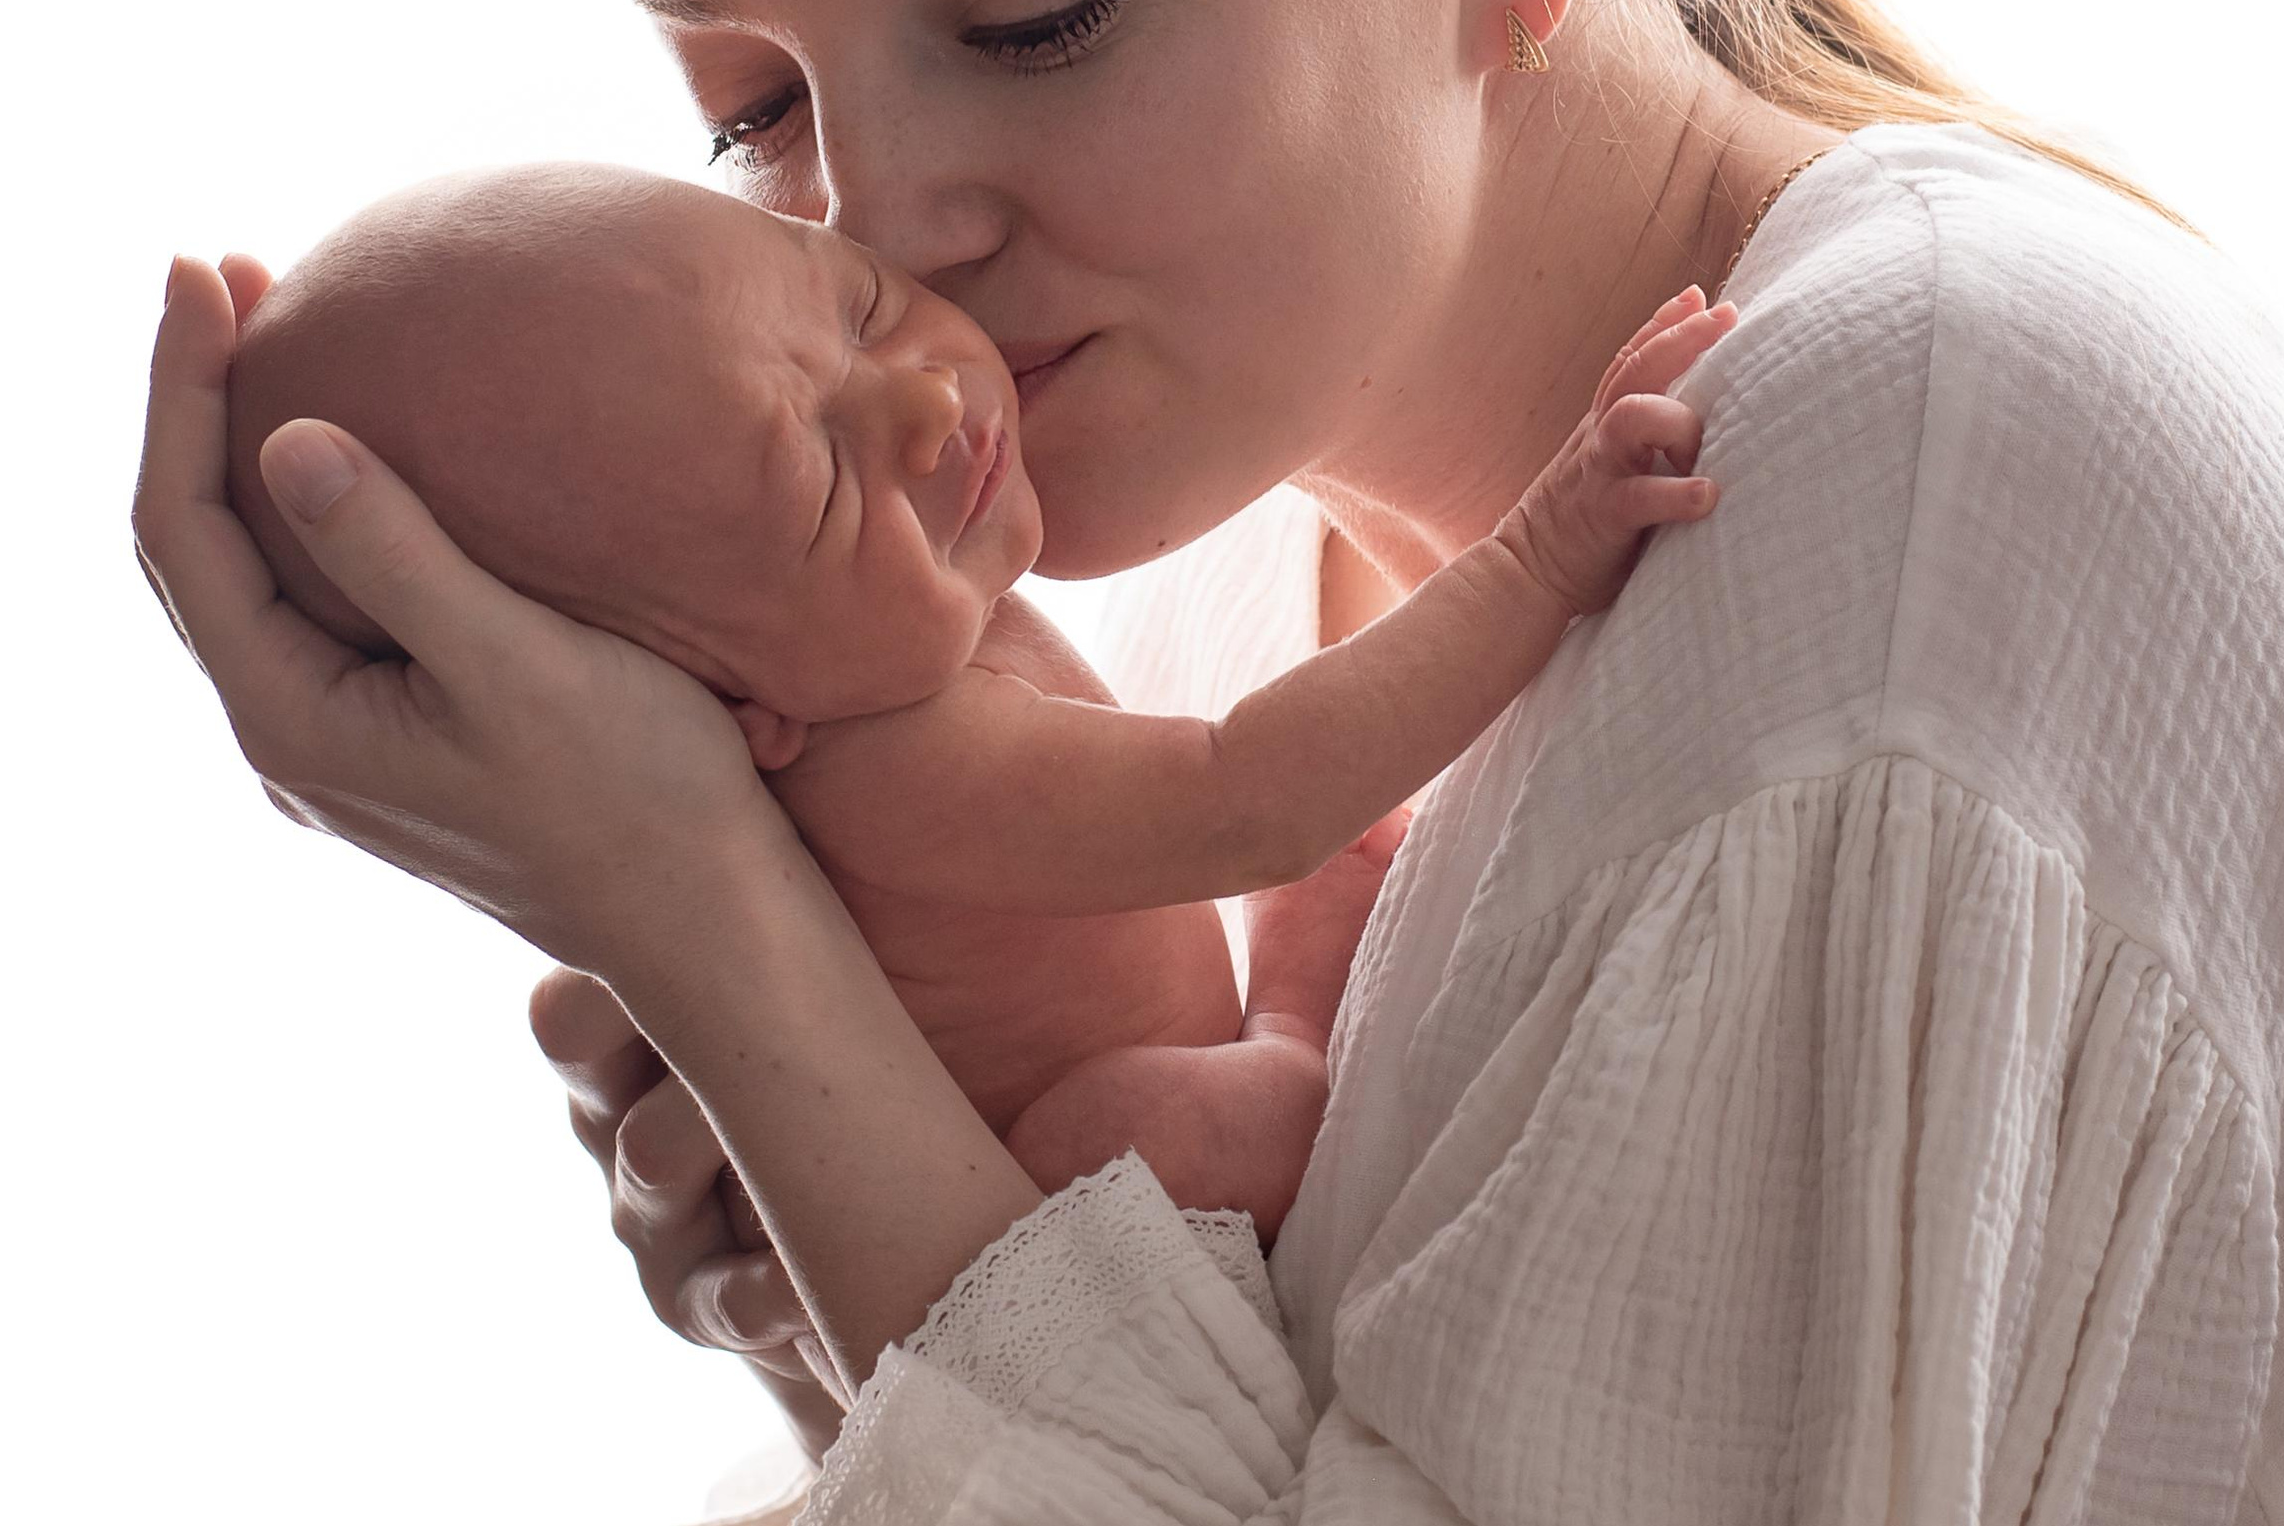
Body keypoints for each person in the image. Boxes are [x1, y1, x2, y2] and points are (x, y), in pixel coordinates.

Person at [134, 0, 2284, 1526]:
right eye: (754, 109)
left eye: (1031, 8)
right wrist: (845, 1302)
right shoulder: (1205, 561)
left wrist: (719, 942)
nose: (880, 227)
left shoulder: (1886, 503)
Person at [219, 155, 1733, 1275]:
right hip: (1095, 1234)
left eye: (857, 305)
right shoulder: (891, 763)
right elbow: (1250, 792)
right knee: (1124, 1141)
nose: (927, 403)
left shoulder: (881, 641)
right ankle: (1286, 1062)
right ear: (732, 707)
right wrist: (1544, 544)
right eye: (821, 482)